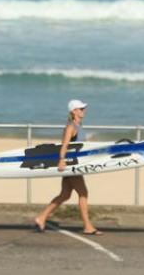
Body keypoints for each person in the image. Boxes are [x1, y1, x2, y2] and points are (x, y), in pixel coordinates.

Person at [33, 99, 102, 235]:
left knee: (65, 195)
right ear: (74, 111)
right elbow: (64, 145)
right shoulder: (71, 127)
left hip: (75, 164)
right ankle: (88, 226)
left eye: (83, 108)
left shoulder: (78, 126)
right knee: (83, 193)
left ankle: (41, 218)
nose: (84, 111)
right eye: (81, 109)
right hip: (70, 165)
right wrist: (61, 160)